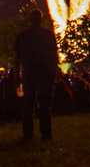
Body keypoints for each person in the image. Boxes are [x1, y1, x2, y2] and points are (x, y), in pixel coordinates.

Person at [14, 10, 59, 142]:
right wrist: (54, 72)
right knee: (44, 105)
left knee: (28, 105)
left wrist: (17, 76)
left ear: (29, 20)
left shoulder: (22, 36)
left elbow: (17, 58)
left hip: (30, 73)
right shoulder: (48, 35)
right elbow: (54, 56)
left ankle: (28, 135)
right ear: (41, 20)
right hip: (45, 73)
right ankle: (46, 134)